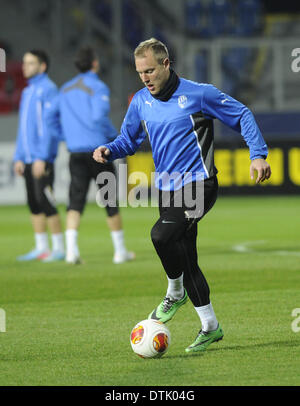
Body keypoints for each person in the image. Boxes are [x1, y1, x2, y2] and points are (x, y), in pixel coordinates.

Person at [93, 38, 271, 353]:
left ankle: (174, 292)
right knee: (186, 256)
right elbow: (128, 139)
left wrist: (257, 154)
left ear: (166, 64)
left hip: (199, 185)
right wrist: (110, 149)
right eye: (139, 72)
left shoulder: (198, 94)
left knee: (161, 236)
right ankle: (210, 327)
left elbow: (242, 114)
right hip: (167, 188)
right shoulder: (140, 101)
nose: (145, 78)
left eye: (149, 70)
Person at [46, 46, 134, 264]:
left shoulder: (64, 89)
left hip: (75, 151)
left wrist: (67, 135)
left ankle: (71, 251)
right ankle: (119, 251)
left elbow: (50, 119)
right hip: (98, 150)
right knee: (109, 200)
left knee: (75, 201)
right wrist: (114, 137)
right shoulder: (98, 87)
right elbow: (98, 117)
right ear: (94, 63)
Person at [14, 50, 65, 262]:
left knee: (46, 201)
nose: (25, 67)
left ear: (42, 66)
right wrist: (19, 155)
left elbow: (50, 128)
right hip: (27, 158)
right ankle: (41, 247)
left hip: (41, 159)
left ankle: (59, 248)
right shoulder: (28, 91)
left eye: (30, 63)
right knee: (33, 203)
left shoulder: (49, 90)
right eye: (25, 63)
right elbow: (23, 129)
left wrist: (42, 157)